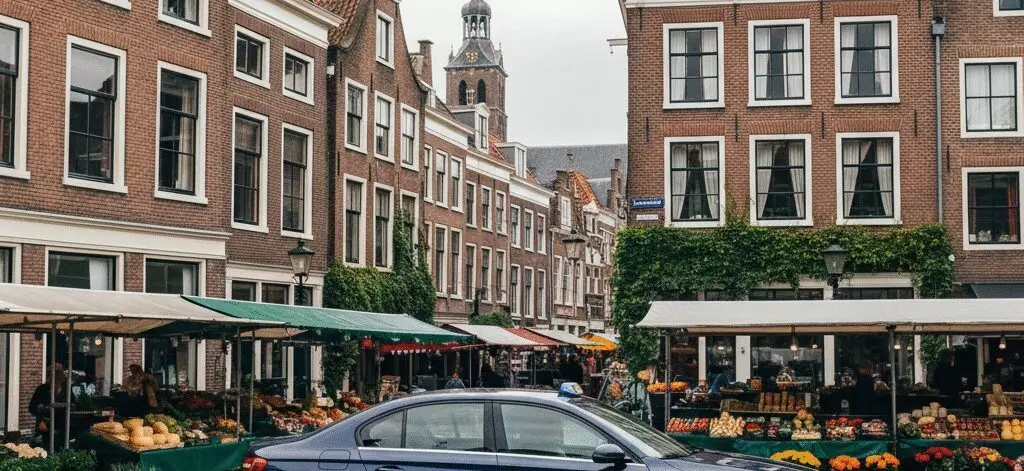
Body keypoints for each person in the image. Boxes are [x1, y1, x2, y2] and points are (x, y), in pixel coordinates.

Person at [29, 362, 67, 441]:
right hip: (45, 428)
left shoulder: (66, 389)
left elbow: (72, 405)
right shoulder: (42, 389)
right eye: (56, 373)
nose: (59, 376)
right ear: (50, 375)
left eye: (60, 373)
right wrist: (40, 421)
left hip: (63, 429)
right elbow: (32, 408)